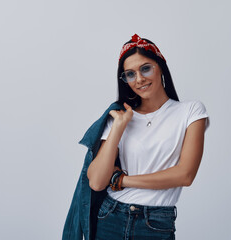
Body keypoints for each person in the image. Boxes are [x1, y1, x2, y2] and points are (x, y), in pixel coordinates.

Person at [86, 34, 210, 240]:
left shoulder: (191, 111)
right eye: (130, 74)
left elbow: (185, 175)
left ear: (160, 66)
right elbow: (98, 182)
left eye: (145, 68)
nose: (140, 79)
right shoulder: (119, 116)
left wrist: (123, 180)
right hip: (110, 218)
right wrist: (118, 128)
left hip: (155, 224)